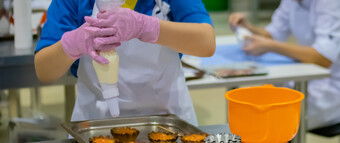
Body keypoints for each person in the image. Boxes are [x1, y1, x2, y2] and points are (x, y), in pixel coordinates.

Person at [34, 0, 215, 126]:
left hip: (167, 125)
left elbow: (206, 42)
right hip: (95, 127)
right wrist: (72, 44)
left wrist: (147, 27)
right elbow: (44, 70)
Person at [229, 0, 340, 130]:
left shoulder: (337, 3)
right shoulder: (293, 1)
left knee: (268, 122)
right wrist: (248, 27)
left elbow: (323, 58)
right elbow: (274, 33)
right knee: (253, 106)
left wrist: (269, 46)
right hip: (310, 76)